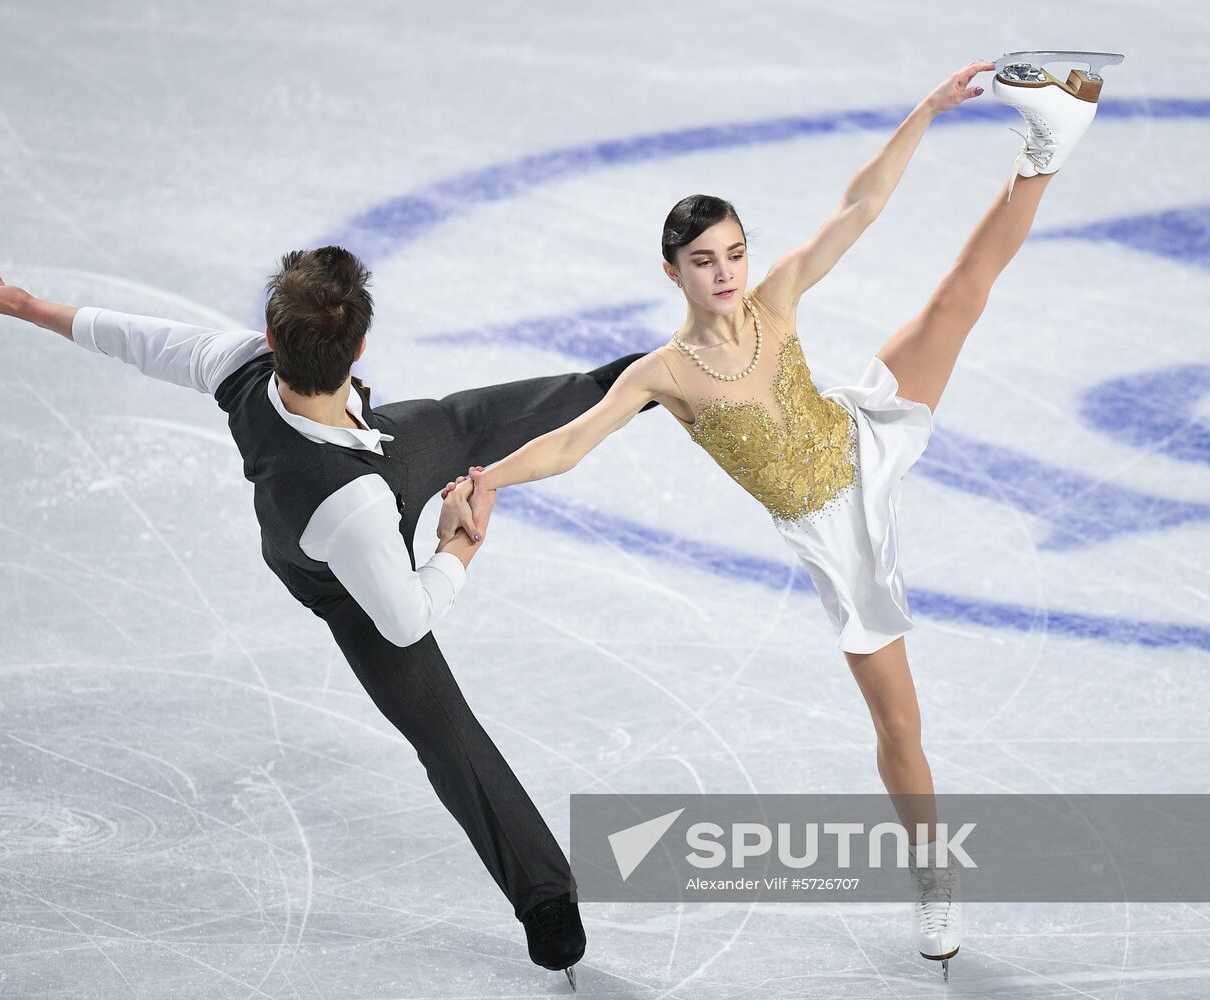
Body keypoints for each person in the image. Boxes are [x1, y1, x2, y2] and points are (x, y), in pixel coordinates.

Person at [443, 54, 1119, 980]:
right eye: (702, 262)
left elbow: (859, 208)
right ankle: (933, 879)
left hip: (860, 432)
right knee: (900, 726)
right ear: (673, 270)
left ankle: (1048, 147)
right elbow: (571, 443)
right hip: (834, 532)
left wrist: (925, 107)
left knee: (960, 294)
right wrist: (494, 477)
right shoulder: (663, 375)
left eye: (732, 253)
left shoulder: (775, 303)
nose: (722, 274)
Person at [0, 246, 659, 990]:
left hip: (365, 462)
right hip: (334, 569)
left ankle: (633, 381)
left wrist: (35, 310)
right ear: (359, 347)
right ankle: (545, 901)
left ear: (269, 335)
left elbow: (146, 340)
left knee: (458, 419)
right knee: (444, 730)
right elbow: (405, 620)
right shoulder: (349, 509)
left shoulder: (241, 366)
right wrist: (459, 542)